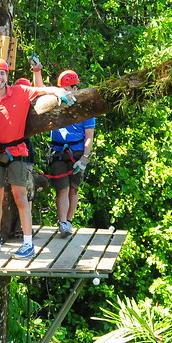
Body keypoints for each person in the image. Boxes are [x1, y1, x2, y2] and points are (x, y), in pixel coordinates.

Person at [0, 57, 75, 259]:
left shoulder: (21, 92)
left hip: (17, 151)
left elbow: (44, 90)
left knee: (20, 197)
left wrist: (61, 92)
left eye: (2, 73)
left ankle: (28, 242)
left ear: (7, 76)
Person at [41, 69, 95, 238]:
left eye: (67, 88)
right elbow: (39, 90)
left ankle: (69, 221)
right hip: (58, 151)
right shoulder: (55, 105)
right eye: (62, 89)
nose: (65, 92)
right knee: (62, 188)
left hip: (77, 153)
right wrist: (37, 71)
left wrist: (85, 158)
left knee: (73, 188)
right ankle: (62, 222)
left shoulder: (86, 110)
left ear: (75, 87)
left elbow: (89, 137)